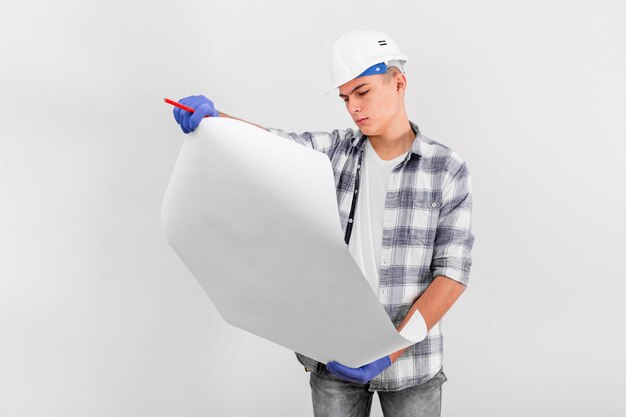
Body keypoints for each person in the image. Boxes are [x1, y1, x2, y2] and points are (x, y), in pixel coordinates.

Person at [172, 30, 474, 417]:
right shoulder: (334, 152)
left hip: (413, 366)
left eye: (362, 92)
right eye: (346, 98)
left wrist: (390, 350)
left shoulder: (446, 168)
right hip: (336, 360)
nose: (353, 108)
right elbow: (272, 146)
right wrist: (215, 120)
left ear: (399, 82)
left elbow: (452, 275)